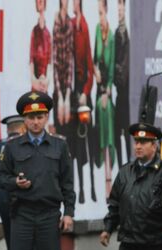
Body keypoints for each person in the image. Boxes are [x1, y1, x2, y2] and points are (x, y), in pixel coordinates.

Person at [0, 91, 76, 250]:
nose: (35, 121)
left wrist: (68, 213)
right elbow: (0, 177)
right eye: (30, 117)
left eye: (40, 116)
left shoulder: (59, 146)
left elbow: (68, 183)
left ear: (47, 117)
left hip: (49, 214)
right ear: (24, 120)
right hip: (22, 213)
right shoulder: (12, 147)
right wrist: (14, 183)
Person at [70, 0, 98, 204]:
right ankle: (77, 190)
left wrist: (85, 92)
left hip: (82, 94)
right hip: (71, 93)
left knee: (88, 142)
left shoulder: (85, 27)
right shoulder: (69, 25)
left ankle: (91, 187)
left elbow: (89, 63)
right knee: (74, 148)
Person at [0, 115, 27, 250]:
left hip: (5, 195)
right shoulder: (22, 143)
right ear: (23, 128)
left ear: (8, 129)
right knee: (25, 234)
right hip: (22, 193)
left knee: (9, 234)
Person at [94, 0, 115, 171]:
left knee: (107, 109)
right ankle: (100, 151)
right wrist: (95, 71)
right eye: (98, 13)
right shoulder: (96, 30)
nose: (100, 18)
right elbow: (94, 59)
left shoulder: (112, 36)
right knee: (97, 110)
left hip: (107, 87)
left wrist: (107, 90)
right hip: (98, 83)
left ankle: (109, 149)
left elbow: (112, 64)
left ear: (106, 11)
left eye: (101, 13)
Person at [52, 0, 74, 136]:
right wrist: (60, 95)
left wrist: (67, 96)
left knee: (68, 124)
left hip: (67, 86)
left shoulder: (70, 24)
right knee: (58, 123)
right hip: (58, 87)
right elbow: (54, 62)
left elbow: (70, 61)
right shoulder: (56, 24)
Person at [114, 0, 130, 168]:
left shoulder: (127, 34)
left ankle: (127, 165)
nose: (119, 12)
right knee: (118, 131)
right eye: (117, 10)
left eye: (121, 9)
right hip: (120, 92)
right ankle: (120, 166)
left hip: (127, 93)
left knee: (126, 132)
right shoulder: (116, 34)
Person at [30, 0, 51, 93]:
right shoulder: (34, 32)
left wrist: (46, 81)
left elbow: (50, 62)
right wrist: (34, 81)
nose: (40, 2)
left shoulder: (48, 34)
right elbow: (31, 61)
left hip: (44, 85)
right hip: (36, 84)